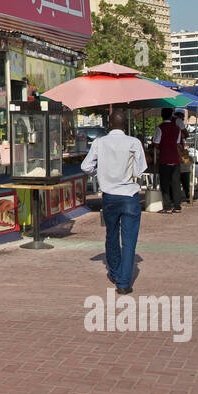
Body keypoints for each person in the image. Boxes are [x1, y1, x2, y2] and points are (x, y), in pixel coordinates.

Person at [81, 110, 146, 295]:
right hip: (130, 195)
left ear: (109, 124)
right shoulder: (134, 142)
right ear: (125, 125)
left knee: (111, 235)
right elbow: (140, 170)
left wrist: (98, 173)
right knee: (129, 240)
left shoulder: (100, 143)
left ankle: (116, 272)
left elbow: (85, 166)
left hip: (109, 195)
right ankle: (124, 283)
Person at [151, 106, 187, 213]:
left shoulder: (159, 128)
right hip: (175, 158)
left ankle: (167, 206)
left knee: (165, 184)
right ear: (171, 115)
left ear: (162, 116)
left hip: (164, 159)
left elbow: (156, 144)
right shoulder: (177, 128)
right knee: (176, 183)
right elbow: (177, 143)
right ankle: (177, 206)